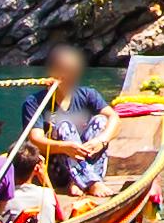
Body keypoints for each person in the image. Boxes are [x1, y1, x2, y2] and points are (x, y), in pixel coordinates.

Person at [35, 41, 116, 200]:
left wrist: (101, 140)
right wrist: (65, 147)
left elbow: (114, 118)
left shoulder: (87, 95)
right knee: (64, 125)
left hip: (89, 163)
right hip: (58, 170)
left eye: (70, 71)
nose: (66, 76)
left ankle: (81, 180)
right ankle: (90, 182)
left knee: (101, 120)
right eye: (62, 70)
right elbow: (35, 139)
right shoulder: (36, 102)